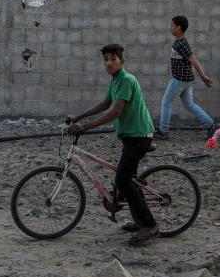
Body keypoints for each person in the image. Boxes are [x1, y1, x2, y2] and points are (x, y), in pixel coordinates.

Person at [68, 44, 160, 245]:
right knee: (128, 179)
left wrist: (85, 127)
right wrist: (79, 117)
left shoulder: (127, 80)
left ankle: (150, 225)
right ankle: (140, 220)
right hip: (130, 136)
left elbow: (115, 111)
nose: (109, 63)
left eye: (113, 59)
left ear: (122, 61)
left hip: (139, 136)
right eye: (106, 59)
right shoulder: (115, 81)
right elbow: (105, 104)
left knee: (123, 180)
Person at [156, 15, 215, 140]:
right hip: (186, 80)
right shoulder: (180, 42)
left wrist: (203, 76)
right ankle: (210, 124)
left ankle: (163, 131)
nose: (170, 27)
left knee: (166, 102)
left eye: (172, 25)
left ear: (178, 27)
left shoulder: (181, 44)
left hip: (179, 80)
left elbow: (194, 60)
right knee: (189, 104)